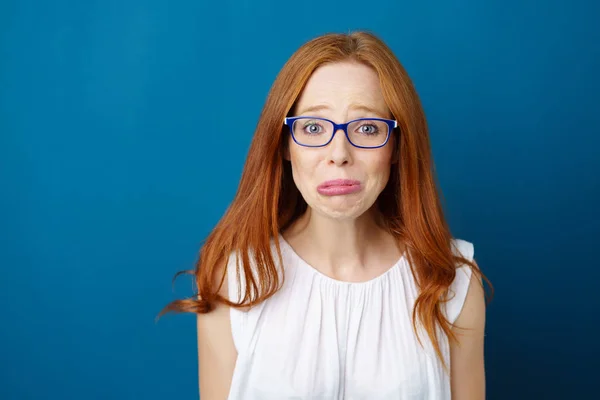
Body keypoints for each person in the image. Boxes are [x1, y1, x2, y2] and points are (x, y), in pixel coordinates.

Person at [160, 30, 493, 400]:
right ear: (284, 144)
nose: (339, 153)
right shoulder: (235, 279)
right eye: (313, 127)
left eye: (367, 128)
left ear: (398, 147)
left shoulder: (452, 280)